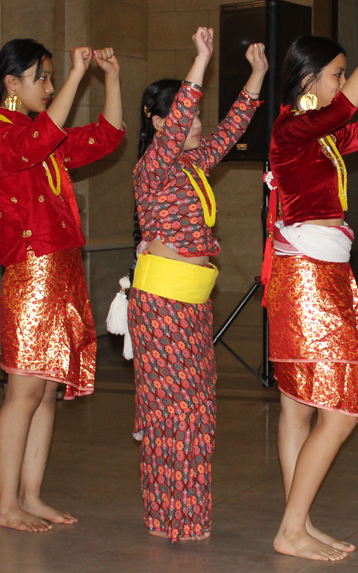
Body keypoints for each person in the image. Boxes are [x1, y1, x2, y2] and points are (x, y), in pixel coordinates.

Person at [262, 9, 358, 561]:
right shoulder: (291, 126)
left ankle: (296, 522)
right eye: (336, 72)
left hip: (322, 274)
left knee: (298, 409)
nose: (341, 80)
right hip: (307, 278)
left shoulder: (322, 137)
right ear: (310, 80)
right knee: (338, 411)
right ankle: (292, 528)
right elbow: (347, 106)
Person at [128, 27, 268, 542]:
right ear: (163, 122)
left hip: (190, 303)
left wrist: (256, 75)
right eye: (183, 115)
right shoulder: (154, 168)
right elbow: (184, 118)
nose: (194, 123)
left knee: (196, 411)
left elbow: (230, 130)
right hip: (161, 303)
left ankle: (182, 515)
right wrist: (201, 60)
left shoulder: (191, 166)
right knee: (173, 413)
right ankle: (170, 516)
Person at [0, 38, 125, 532]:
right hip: (33, 271)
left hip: (60, 268)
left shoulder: (39, 133)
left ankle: (30, 495)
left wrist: (111, 78)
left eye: (48, 77)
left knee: (45, 393)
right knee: (23, 391)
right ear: (11, 84)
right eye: (40, 78)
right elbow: (39, 140)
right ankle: (5, 503)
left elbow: (106, 137)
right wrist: (76, 77)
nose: (48, 86)